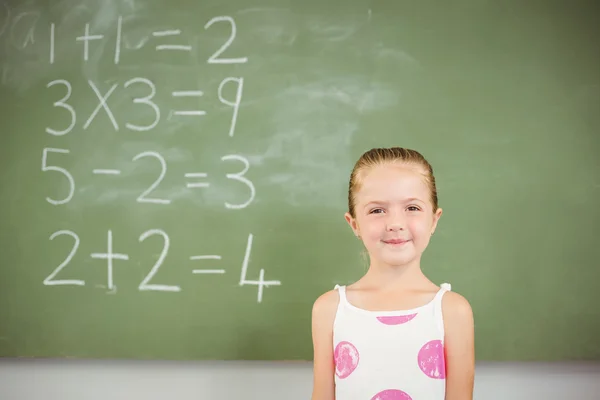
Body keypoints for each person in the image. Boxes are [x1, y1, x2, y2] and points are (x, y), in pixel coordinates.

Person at [311, 147, 475, 400]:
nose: (395, 223)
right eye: (377, 210)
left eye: (412, 208)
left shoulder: (452, 311)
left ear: (434, 219)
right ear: (354, 223)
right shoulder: (329, 310)